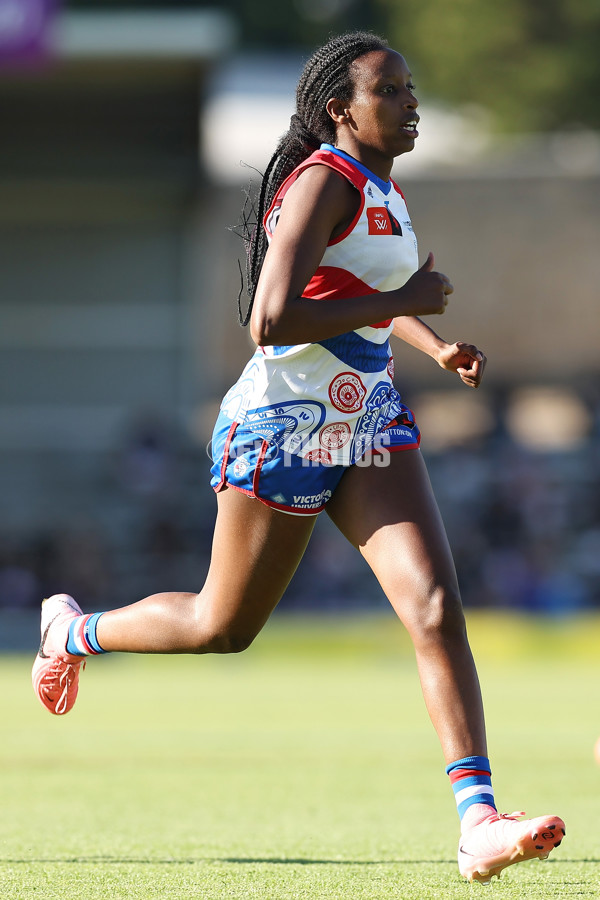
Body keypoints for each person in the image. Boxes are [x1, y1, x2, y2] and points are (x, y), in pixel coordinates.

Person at [32, 31, 565, 885]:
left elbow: (354, 297)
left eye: (410, 86)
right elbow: (270, 320)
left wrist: (432, 345)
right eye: (388, 90)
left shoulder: (384, 189)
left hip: (366, 420)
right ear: (338, 110)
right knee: (223, 627)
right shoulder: (322, 180)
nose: (410, 101)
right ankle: (73, 631)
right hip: (283, 425)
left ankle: (479, 823)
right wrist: (404, 298)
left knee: (433, 603)